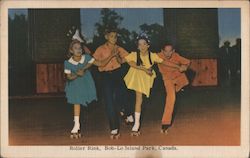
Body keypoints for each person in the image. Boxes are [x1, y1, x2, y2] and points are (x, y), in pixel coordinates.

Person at [123, 33, 184, 136]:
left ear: (148, 45)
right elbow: (130, 62)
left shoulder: (152, 56)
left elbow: (165, 62)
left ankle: (128, 114)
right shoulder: (134, 54)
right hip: (136, 77)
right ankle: (136, 125)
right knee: (139, 99)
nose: (142, 46)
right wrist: (143, 68)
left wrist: (178, 67)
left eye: (144, 44)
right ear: (137, 46)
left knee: (143, 99)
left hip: (148, 79)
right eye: (139, 44)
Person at [64, 40, 118, 139]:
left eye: (80, 48)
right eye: (75, 48)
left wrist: (111, 56)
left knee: (88, 103)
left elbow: (101, 64)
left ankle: (79, 123)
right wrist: (76, 74)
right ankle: (76, 125)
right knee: (77, 102)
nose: (78, 50)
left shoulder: (87, 58)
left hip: (86, 85)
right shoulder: (68, 63)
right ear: (71, 51)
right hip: (75, 85)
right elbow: (69, 77)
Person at [93, 29, 133, 139]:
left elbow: (129, 58)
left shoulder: (119, 48)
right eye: (111, 36)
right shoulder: (100, 49)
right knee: (109, 101)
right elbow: (96, 62)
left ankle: (126, 112)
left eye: (116, 36)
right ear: (106, 37)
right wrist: (111, 55)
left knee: (123, 94)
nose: (114, 38)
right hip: (105, 76)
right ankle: (114, 128)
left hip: (117, 73)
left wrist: (138, 65)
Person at [157, 43, 191, 133]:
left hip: (178, 77)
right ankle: (165, 123)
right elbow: (164, 62)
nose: (168, 54)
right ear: (162, 51)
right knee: (171, 98)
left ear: (173, 51)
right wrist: (178, 66)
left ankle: (179, 89)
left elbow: (188, 62)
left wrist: (185, 67)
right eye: (165, 51)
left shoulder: (176, 56)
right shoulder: (157, 56)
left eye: (170, 51)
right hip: (168, 79)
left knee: (185, 82)